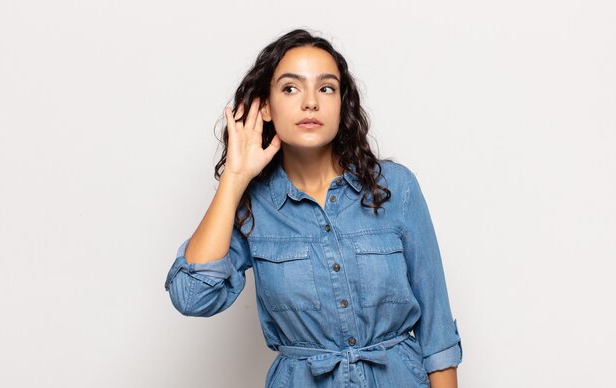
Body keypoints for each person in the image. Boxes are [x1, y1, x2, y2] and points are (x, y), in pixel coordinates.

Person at [164, 28, 463, 388]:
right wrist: (235, 177)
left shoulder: (395, 188)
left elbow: (438, 331)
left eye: (326, 88)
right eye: (291, 88)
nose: (310, 102)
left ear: (342, 104)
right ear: (266, 107)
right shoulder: (254, 206)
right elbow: (192, 296)